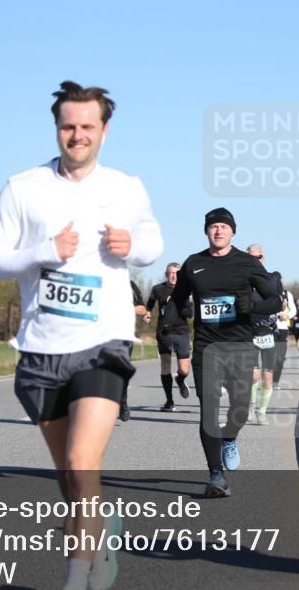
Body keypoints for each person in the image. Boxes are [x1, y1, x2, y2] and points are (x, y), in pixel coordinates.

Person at [0, 81, 162, 590]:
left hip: (103, 342)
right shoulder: (23, 188)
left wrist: (135, 247)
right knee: (69, 478)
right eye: (67, 126)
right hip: (40, 349)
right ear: (57, 128)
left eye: (88, 126)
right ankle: (100, 529)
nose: (77, 135)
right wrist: (42, 252)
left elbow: (152, 241)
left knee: (83, 461)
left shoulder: (125, 187)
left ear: (104, 129)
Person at [170, 208, 282, 497]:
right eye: (213, 227)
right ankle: (215, 475)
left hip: (240, 347)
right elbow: (177, 300)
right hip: (206, 348)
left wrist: (253, 307)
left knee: (241, 408)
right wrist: (174, 334)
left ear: (233, 231)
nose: (218, 231)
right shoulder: (193, 263)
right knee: (208, 410)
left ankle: (230, 437)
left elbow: (275, 302)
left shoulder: (246, 263)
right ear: (206, 231)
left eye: (223, 226)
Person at [145, 263, 193, 412]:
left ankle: (180, 379)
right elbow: (149, 305)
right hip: (164, 332)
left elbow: (190, 313)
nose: (174, 276)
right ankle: (169, 401)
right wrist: (147, 314)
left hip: (181, 331)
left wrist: (175, 302)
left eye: (177, 273)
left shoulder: (186, 290)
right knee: (165, 364)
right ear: (166, 274)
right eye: (171, 273)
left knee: (184, 369)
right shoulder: (158, 289)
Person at [246, 244, 281, 425]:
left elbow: (278, 302)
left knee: (268, 376)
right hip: (249, 332)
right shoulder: (243, 281)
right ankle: (251, 406)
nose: (255, 260)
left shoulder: (273, 278)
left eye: (258, 257)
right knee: (253, 375)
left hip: (269, 333)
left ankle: (262, 411)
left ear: (263, 258)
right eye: (251, 258)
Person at [117, 280, 148, 422]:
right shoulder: (91, 279)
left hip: (123, 335)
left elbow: (142, 309)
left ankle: (122, 401)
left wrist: (124, 309)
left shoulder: (129, 283)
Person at [272, 276, 297, 391]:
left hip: (282, 328)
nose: (278, 283)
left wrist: (287, 315)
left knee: (280, 357)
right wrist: (277, 315)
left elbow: (293, 310)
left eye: (280, 281)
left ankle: (275, 381)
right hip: (270, 327)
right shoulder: (268, 292)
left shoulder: (287, 294)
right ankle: (268, 378)